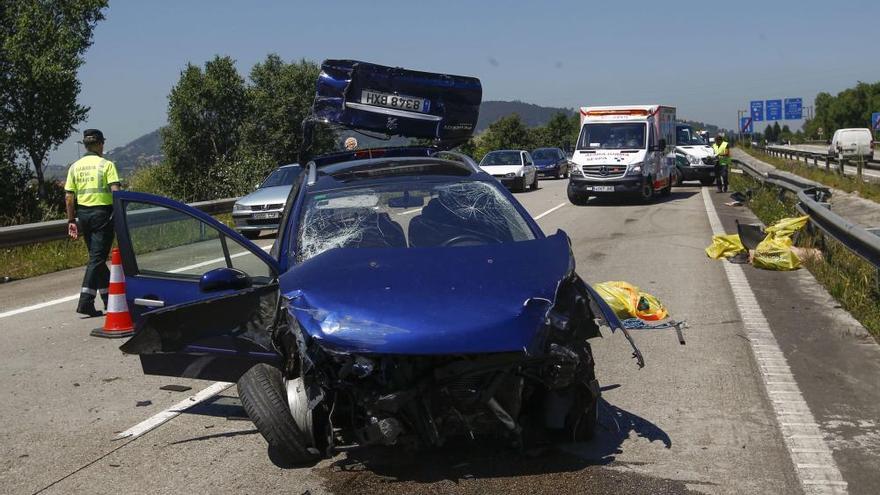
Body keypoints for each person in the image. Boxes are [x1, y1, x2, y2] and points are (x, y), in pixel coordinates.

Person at [65, 129, 122, 316]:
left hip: (83, 216)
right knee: (96, 259)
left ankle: (109, 299)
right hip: (103, 215)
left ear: (85, 145)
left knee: (96, 258)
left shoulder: (74, 167)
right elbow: (116, 192)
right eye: (102, 143)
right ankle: (85, 301)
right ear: (99, 144)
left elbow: (69, 198)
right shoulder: (106, 165)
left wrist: (71, 220)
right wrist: (119, 213)